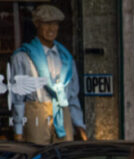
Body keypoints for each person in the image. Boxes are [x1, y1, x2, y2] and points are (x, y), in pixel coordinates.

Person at [10, 4, 86, 143]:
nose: (51, 28)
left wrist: (80, 125)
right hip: (36, 111)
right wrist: (18, 131)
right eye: (47, 23)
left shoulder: (67, 59)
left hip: (63, 113)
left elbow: (73, 97)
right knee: (37, 158)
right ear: (37, 24)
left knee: (64, 158)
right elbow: (18, 99)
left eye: (55, 24)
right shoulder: (23, 57)